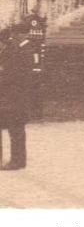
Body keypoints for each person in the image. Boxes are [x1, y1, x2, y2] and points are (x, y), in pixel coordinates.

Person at [0, 21, 37, 170]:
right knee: (15, 129)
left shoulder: (23, 50)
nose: (12, 38)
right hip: (12, 96)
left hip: (15, 97)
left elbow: (13, 74)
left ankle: (17, 161)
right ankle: (15, 160)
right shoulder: (18, 48)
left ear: (22, 34)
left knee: (16, 129)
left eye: (15, 35)